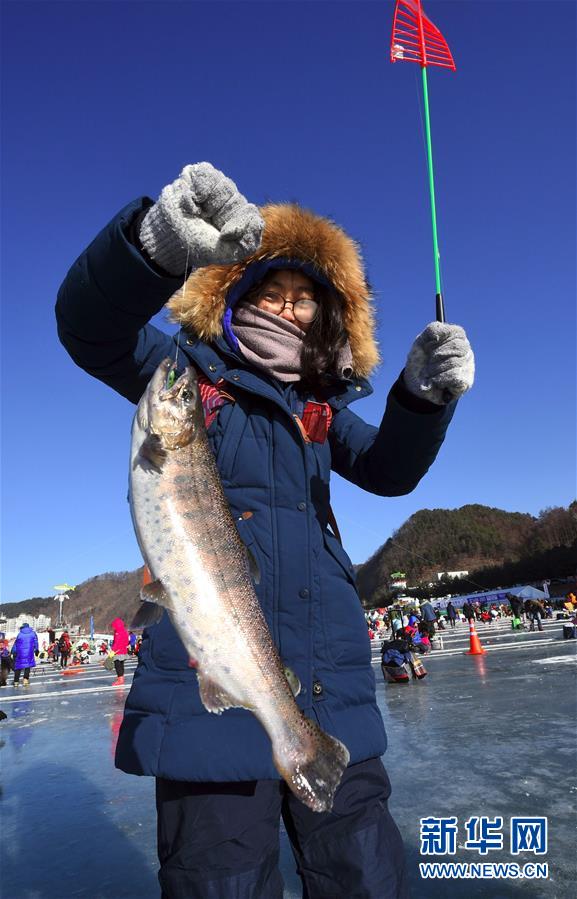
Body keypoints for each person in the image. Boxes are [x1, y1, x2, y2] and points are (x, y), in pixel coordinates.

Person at [56, 162, 475, 898]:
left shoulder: (316, 410)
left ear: (328, 317)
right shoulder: (186, 374)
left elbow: (388, 469)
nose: (287, 309)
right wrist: (152, 249)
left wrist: (420, 397)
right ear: (234, 295)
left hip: (328, 689)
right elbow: (91, 328)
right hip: (202, 697)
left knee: (367, 881)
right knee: (225, 883)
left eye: (304, 300)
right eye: (270, 292)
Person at [110, 618, 129, 686]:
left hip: (117, 651)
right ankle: (121, 678)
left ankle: (120, 679)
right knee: (121, 664)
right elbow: (127, 642)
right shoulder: (125, 631)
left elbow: (116, 642)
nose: (113, 628)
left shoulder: (117, 632)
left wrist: (112, 650)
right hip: (123, 651)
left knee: (117, 665)